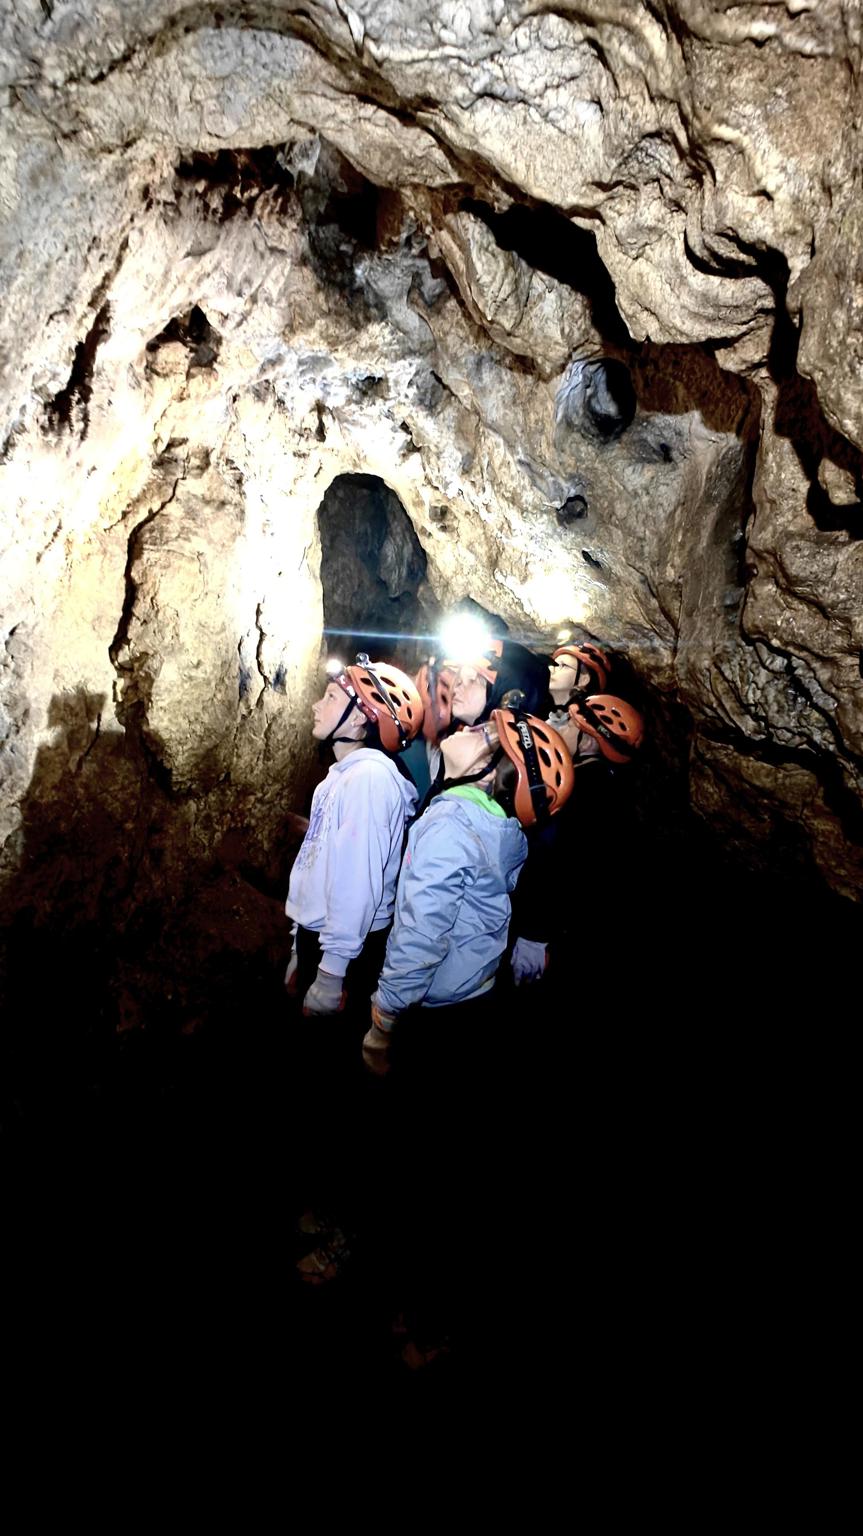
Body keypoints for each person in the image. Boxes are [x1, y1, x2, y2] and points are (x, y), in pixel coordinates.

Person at [361, 705, 574, 1365]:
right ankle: (427, 1309)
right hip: (474, 1011)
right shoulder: (499, 825)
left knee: (421, 1169)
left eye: (486, 738)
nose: (470, 729)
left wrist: (382, 1021)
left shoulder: (453, 824)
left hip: (438, 1021)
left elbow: (419, 935)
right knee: (449, 1168)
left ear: (490, 773)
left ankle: (419, 1313)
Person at [283, 654, 421, 1283]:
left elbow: (359, 888)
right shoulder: (346, 775)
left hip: (350, 953)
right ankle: (325, 1207)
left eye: (333, 697)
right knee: (324, 1093)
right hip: (329, 945)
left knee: (347, 1104)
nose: (317, 703)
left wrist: (332, 971)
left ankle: (347, 1236)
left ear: (362, 719)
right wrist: (300, 947)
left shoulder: (368, 781)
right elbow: (323, 869)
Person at [509, 688, 645, 985]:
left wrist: (534, 935)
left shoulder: (582, 791)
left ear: (590, 741)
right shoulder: (608, 787)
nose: (560, 728)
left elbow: (554, 863)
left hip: (546, 933)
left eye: (571, 724)